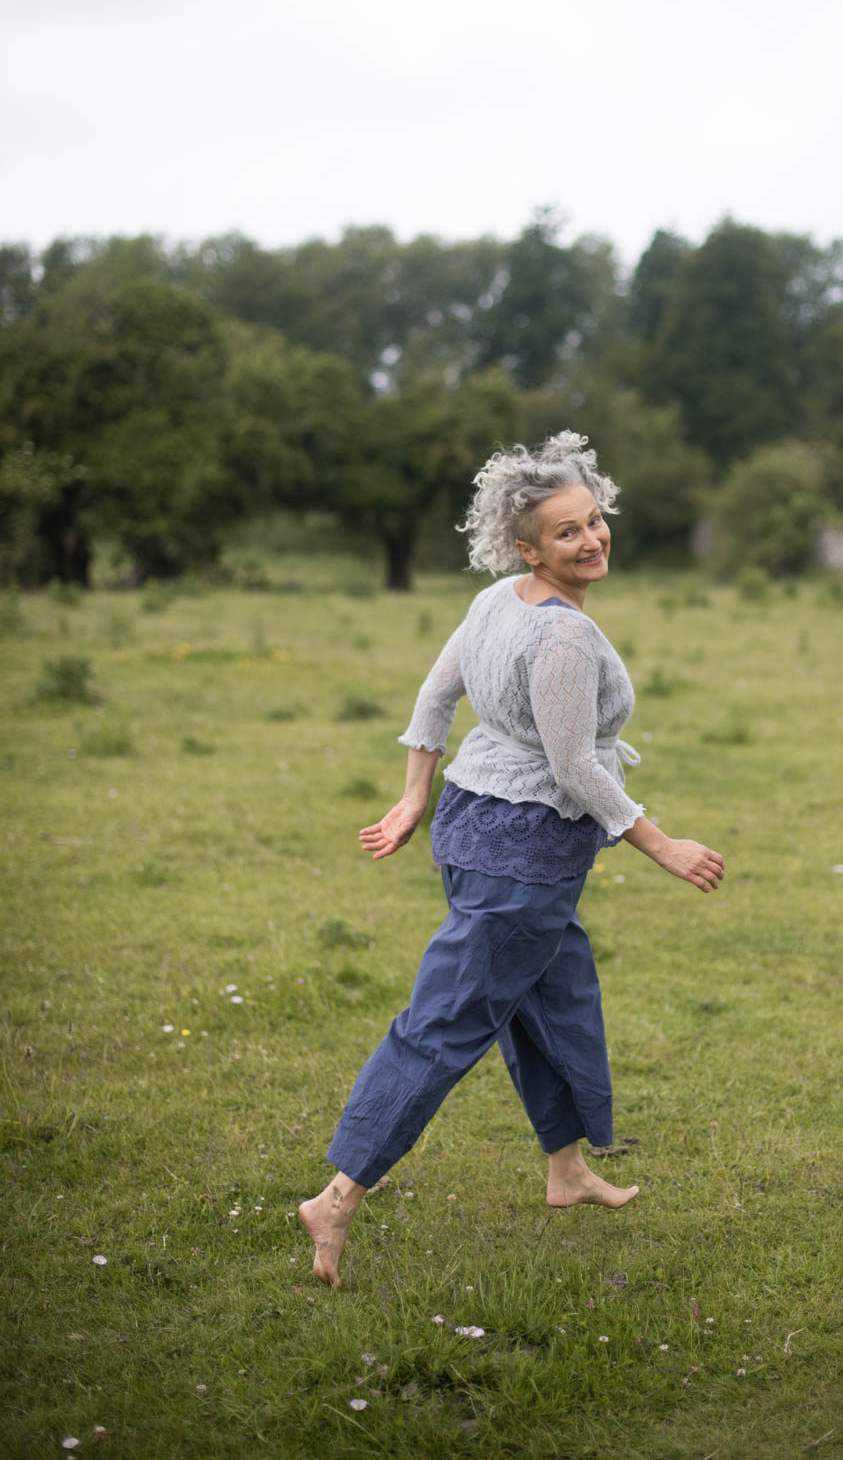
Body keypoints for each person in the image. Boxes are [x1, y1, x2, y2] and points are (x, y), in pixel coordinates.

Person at [299, 431, 724, 1286]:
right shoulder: (563, 638)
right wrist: (659, 843)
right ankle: (340, 1190)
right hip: (524, 853)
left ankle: (567, 1171)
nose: (591, 539)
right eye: (566, 532)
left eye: (594, 520)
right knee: (447, 1019)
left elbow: (434, 693)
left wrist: (420, 793)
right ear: (525, 547)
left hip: (474, 827)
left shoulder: (501, 600)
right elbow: (575, 766)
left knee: (554, 996)